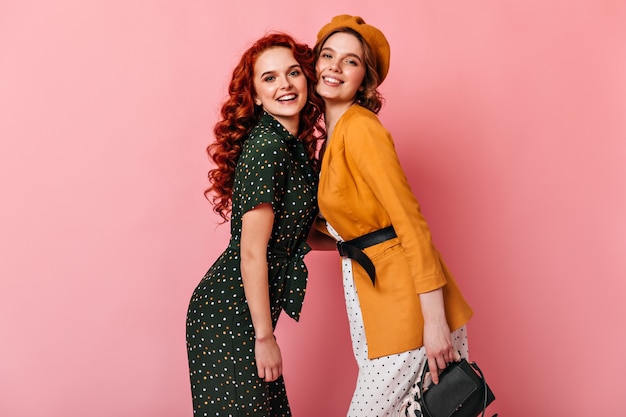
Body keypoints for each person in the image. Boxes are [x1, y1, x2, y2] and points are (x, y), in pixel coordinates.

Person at [313, 15, 475, 416]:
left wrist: (434, 322)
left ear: (365, 80)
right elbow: (346, 229)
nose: (334, 66)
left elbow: (409, 221)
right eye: (328, 55)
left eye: (350, 61)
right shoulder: (333, 136)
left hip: (407, 307)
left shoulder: (361, 129)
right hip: (375, 297)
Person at [186, 32, 325, 417]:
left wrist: (357, 244)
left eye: (292, 72)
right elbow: (252, 251)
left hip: (245, 314)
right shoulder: (268, 147)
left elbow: (296, 232)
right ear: (256, 97)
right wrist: (264, 337)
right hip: (228, 316)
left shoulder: (289, 145)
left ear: (307, 79)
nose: (284, 84)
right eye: (269, 78)